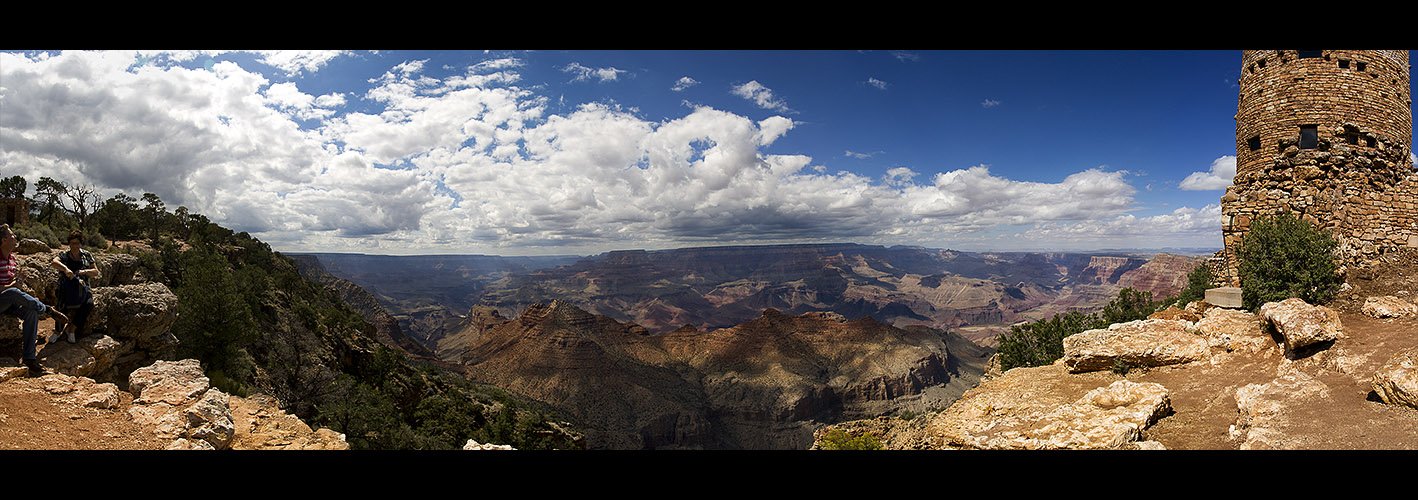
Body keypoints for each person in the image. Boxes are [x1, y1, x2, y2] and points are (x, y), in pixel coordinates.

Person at [0, 224, 68, 377]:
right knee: (12, 292)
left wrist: (18, 281)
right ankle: (48, 310)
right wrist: (14, 285)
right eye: (12, 236)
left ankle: (29, 359)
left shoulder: (12, 258)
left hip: (9, 301)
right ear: (4, 240)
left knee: (31, 312)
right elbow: (5, 288)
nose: (15, 237)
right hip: (2, 300)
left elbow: (12, 284)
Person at [50, 229, 98, 344]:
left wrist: (83, 272)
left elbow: (96, 272)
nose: (74, 246)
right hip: (66, 286)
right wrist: (66, 269)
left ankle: (71, 329)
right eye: (71, 243)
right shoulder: (64, 255)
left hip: (83, 287)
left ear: (80, 243)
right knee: (62, 303)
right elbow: (54, 262)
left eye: (76, 243)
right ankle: (58, 331)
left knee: (89, 304)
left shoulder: (86, 255)